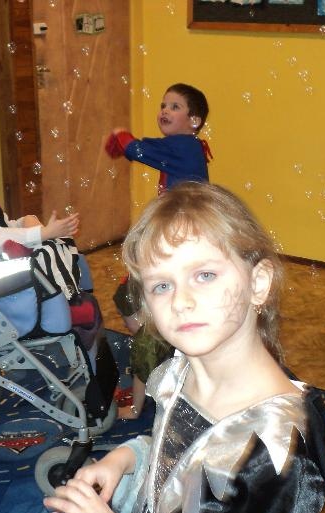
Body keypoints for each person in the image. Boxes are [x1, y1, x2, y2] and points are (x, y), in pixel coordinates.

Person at [44, 182, 325, 513]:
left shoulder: (280, 447)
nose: (181, 301)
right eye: (161, 285)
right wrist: (125, 459)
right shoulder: (180, 371)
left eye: (205, 275)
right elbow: (185, 455)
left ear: (258, 283)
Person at [105, 83, 212, 419]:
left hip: (180, 248)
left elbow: (140, 149)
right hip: (172, 242)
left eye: (175, 106)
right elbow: (150, 150)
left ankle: (137, 404)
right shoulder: (181, 147)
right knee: (127, 296)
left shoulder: (185, 146)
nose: (165, 110)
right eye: (164, 105)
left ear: (194, 121)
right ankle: (162, 348)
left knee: (146, 332)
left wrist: (123, 140)